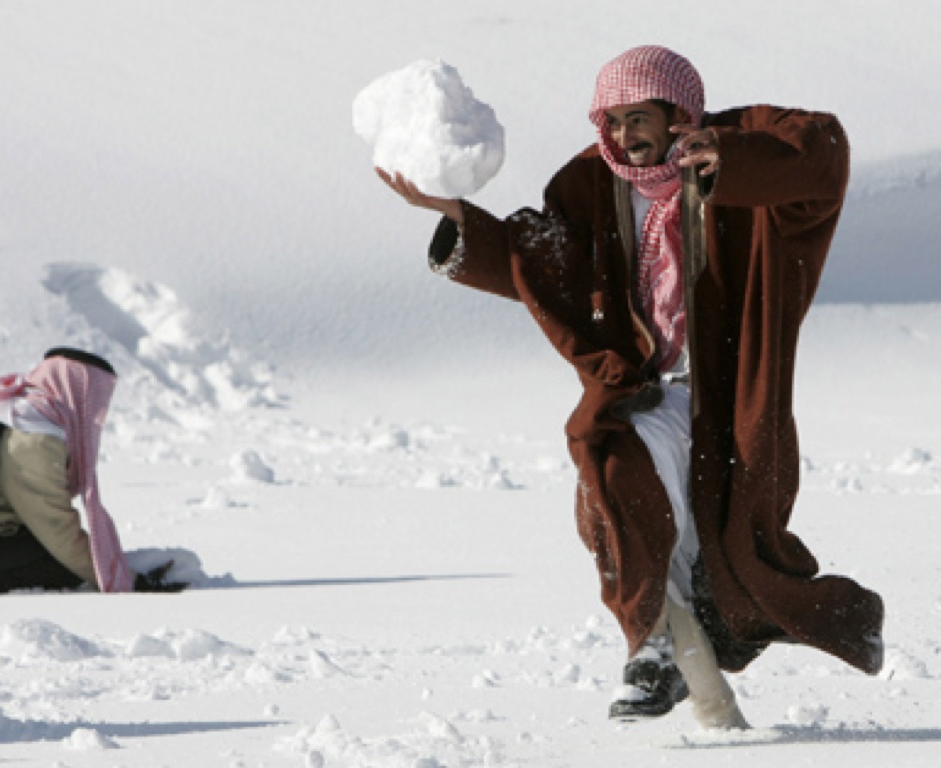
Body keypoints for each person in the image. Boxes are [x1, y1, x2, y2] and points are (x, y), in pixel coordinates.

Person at [376, 45, 884, 729]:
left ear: (679, 114)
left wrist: (731, 157)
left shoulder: (730, 154)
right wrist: (458, 217)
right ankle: (654, 654)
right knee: (618, 480)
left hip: (730, 400)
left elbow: (821, 154)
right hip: (644, 394)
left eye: (638, 118)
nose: (623, 136)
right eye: (611, 122)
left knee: (728, 563)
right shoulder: (590, 185)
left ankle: (792, 642)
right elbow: (541, 262)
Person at [0, 347, 184, 596]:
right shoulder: (33, 434)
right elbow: (56, 529)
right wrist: (129, 582)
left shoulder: (17, 414)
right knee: (65, 565)